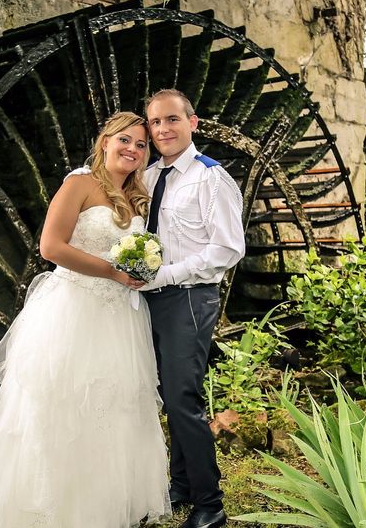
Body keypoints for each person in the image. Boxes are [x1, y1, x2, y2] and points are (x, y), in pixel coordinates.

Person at [0, 111, 171, 527]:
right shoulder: (80, 183)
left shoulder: (138, 194)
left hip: (119, 316)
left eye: (141, 144)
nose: (133, 149)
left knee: (113, 407)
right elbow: (50, 247)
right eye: (125, 140)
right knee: (62, 407)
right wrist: (114, 271)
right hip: (74, 309)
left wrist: (139, 270)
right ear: (104, 141)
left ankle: (100, 508)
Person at [139, 89, 246, 528]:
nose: (163, 129)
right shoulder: (147, 178)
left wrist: (164, 275)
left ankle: (210, 505)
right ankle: (180, 485)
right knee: (168, 394)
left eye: (172, 120)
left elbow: (227, 249)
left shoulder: (211, 178)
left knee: (184, 397)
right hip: (150, 299)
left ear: (192, 123)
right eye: (155, 123)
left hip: (189, 297)